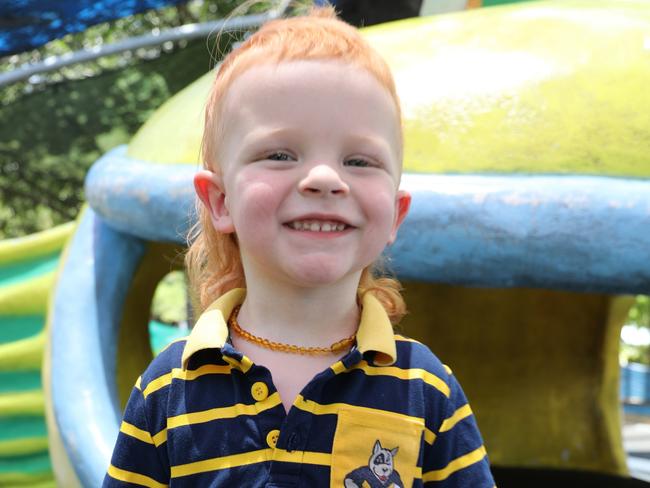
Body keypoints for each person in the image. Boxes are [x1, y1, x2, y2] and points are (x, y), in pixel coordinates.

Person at [104, 6, 495, 487]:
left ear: (395, 214)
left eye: (358, 159)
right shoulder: (168, 390)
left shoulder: (426, 390)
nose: (325, 179)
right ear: (221, 202)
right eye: (280, 154)